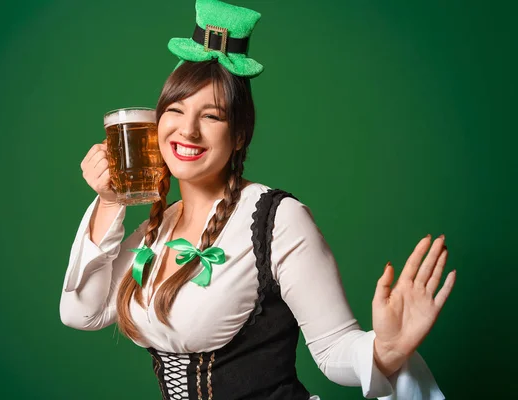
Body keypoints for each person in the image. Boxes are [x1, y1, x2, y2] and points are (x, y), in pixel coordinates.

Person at [59, 1, 456, 399]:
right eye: (176, 110)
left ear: (239, 135)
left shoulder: (277, 219)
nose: (188, 130)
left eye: (212, 116)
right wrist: (111, 202)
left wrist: (386, 349)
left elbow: (334, 349)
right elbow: (81, 312)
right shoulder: (158, 228)